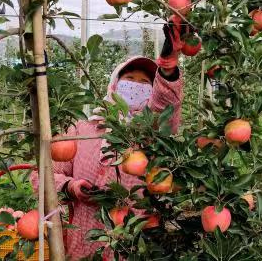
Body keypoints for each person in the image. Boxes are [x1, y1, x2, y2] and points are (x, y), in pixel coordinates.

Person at [31, 21, 186, 261]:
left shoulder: (152, 134)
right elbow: (41, 175)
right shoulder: (83, 129)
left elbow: (166, 106)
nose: (136, 86)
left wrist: (167, 68)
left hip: (134, 245)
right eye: (129, 78)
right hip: (83, 244)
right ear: (114, 84)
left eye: (145, 83)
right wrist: (71, 186)